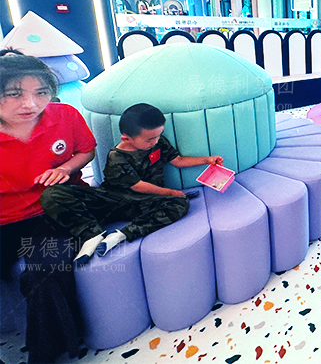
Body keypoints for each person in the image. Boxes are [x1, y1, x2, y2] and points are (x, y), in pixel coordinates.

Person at [0, 49, 97, 363]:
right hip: (5, 218)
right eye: (15, 94)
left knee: (46, 272)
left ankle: (44, 355)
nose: (30, 104)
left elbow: (87, 150)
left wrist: (66, 168)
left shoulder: (65, 115)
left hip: (53, 209)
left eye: (40, 93)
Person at [41, 103, 223, 265]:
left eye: (158, 136)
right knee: (52, 195)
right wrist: (170, 192)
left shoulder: (158, 143)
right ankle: (91, 234)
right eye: (149, 139)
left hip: (142, 203)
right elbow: (137, 185)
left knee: (180, 203)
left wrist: (207, 160)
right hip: (111, 200)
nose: (155, 142)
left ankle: (121, 235)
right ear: (126, 139)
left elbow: (179, 161)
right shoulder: (117, 157)